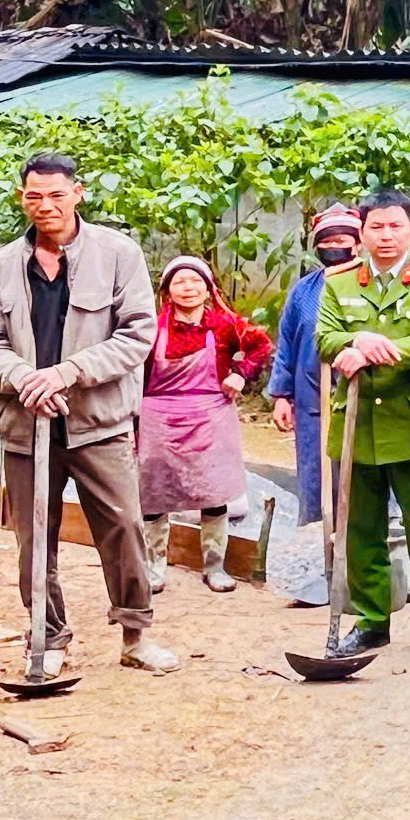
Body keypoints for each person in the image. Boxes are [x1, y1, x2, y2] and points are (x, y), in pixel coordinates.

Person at [0, 152, 177, 675]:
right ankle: (48, 636)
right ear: (23, 199)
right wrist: (25, 380)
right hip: (25, 425)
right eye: (35, 196)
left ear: (78, 193)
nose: (46, 206)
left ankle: (136, 637)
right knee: (33, 539)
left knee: (124, 527)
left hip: (98, 423)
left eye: (57, 195)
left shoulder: (117, 254)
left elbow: (136, 336)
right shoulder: (3, 266)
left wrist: (67, 372)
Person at [317, 189, 410, 658]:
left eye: (395, 226)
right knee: (360, 530)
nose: (385, 236)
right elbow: (323, 337)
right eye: (376, 226)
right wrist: (356, 337)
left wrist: (377, 351)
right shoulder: (340, 282)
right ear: (362, 231)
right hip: (356, 425)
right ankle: (372, 620)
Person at [136, 255, 272, 596]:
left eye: (195, 281)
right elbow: (132, 372)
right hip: (159, 419)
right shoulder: (151, 329)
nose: (189, 288)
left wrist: (241, 375)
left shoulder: (226, 326)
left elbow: (261, 346)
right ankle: (154, 568)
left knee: (212, 492)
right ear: (167, 291)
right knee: (153, 495)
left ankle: (214, 567)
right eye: (180, 282)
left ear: (208, 287)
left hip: (211, 415)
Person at [267, 206, 361, 526]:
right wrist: (282, 395)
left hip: (364, 400)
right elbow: (287, 345)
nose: (335, 246)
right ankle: (314, 541)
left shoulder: (370, 286)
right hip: (312, 401)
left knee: (363, 478)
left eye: (343, 239)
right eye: (328, 240)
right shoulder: (303, 291)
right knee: (315, 474)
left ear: (358, 242)